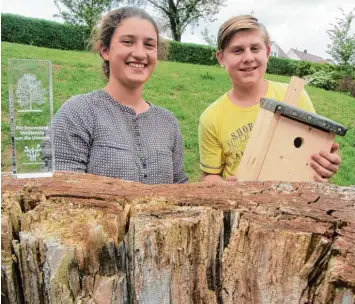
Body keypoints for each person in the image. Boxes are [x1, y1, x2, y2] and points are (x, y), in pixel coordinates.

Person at [50, 7, 187, 184]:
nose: (139, 53)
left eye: (149, 45)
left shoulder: (168, 122)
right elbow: (59, 190)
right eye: (128, 42)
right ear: (105, 50)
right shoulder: (78, 112)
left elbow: (180, 190)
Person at [199, 15, 341, 183]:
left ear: (267, 52)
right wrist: (224, 188)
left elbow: (315, 154)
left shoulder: (295, 97)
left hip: (296, 201)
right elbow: (209, 175)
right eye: (237, 50)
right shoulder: (211, 118)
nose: (248, 58)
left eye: (255, 48)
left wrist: (325, 163)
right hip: (243, 206)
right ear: (221, 58)